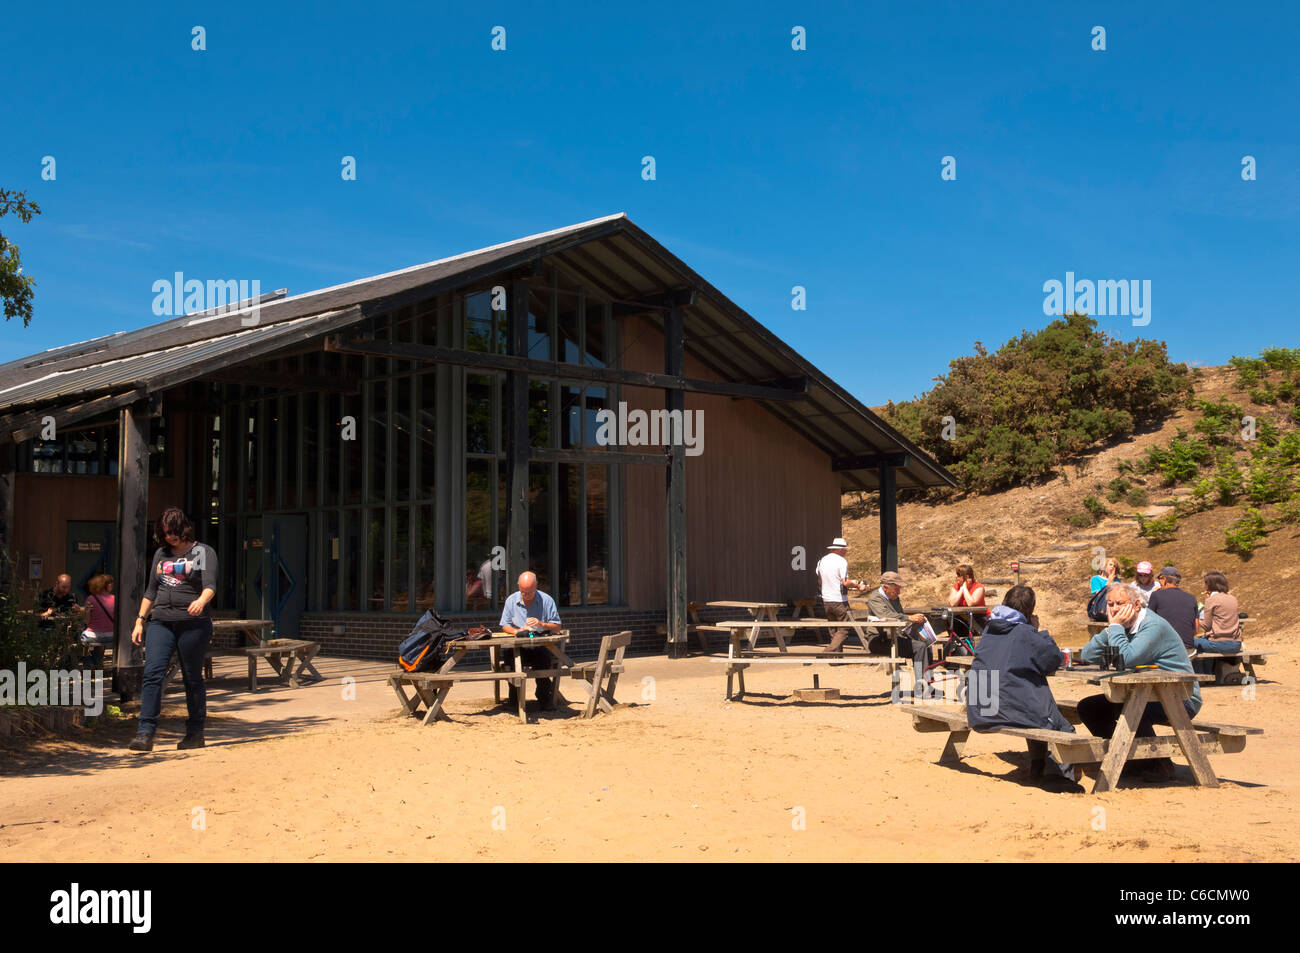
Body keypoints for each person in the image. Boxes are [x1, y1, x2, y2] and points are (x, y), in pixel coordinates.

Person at [1078, 582, 1202, 779]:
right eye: (1110, 604)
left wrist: (1116, 627)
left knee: (1133, 708)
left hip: (1181, 697)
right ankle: (1131, 759)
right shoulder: (1121, 626)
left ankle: (1160, 764)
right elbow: (1088, 655)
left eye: (1120, 603)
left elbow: (1128, 658)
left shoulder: (1152, 625)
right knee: (1089, 707)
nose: (1115, 609)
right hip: (1142, 693)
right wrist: (1111, 629)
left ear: (1136, 605)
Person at [966, 585, 1079, 789]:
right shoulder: (1025, 632)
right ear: (1029, 611)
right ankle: (1060, 780)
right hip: (1008, 710)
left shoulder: (989, 630)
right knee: (1062, 728)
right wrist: (1039, 631)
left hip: (981, 709)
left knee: (1036, 715)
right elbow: (1052, 660)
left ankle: (1038, 768)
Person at [129, 507, 219, 752]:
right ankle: (145, 732)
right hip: (161, 621)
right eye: (165, 533)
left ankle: (195, 732)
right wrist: (139, 620)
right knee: (152, 673)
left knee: (192, 678)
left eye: (173, 532)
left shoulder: (203, 552)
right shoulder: (161, 554)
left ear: (184, 528)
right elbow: (151, 591)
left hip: (193, 624)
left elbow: (210, 585)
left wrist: (201, 601)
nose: (169, 537)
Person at [865, 571, 935, 697]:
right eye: (896, 589)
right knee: (919, 647)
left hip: (894, 638)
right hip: (878, 640)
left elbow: (900, 620)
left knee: (925, 645)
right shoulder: (875, 598)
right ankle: (923, 688)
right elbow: (885, 616)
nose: (899, 593)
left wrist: (915, 624)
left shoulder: (894, 598)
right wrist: (909, 618)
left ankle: (926, 685)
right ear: (885, 587)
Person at [499, 571, 563, 708]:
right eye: (523, 592)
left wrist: (542, 624)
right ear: (518, 586)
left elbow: (557, 627)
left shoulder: (546, 600)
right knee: (510, 660)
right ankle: (515, 699)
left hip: (537, 639)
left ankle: (544, 698)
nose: (526, 596)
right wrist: (517, 631)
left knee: (543, 659)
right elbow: (504, 625)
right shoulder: (511, 600)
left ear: (536, 586)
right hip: (518, 640)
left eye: (529, 592)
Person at [816, 537, 863, 652]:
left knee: (833, 629)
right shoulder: (841, 561)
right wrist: (858, 585)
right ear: (840, 549)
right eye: (845, 549)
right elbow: (845, 582)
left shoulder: (822, 560)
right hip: (839, 600)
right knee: (844, 628)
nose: (846, 551)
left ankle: (836, 658)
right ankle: (829, 650)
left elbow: (820, 580)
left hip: (826, 599)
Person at [1193, 571, 1243, 672]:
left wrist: (1196, 618)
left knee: (1190, 643)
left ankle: (1201, 676)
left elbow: (1207, 626)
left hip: (1219, 643)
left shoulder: (1211, 600)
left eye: (1206, 583)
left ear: (1210, 585)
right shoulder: (1233, 598)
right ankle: (1210, 674)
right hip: (1236, 644)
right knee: (1204, 641)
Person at [1147, 566, 1198, 652]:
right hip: (1188, 649)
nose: (1159, 581)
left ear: (1165, 579)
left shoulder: (1156, 595)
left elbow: (1149, 622)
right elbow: (1196, 629)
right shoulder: (1192, 598)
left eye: (1160, 578)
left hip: (1166, 649)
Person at [79, 573, 116, 667]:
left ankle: (89, 666)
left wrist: (86, 612)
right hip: (112, 635)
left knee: (84, 638)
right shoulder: (115, 599)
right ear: (108, 585)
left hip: (94, 636)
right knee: (97, 645)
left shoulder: (91, 599)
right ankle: (98, 664)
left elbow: (87, 621)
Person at [946, 563, 986, 645]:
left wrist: (965, 588)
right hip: (961, 618)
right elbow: (953, 603)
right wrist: (961, 589)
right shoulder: (956, 586)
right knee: (950, 621)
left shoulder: (979, 587)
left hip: (978, 618)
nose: (957, 578)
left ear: (967, 577)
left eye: (959, 575)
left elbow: (971, 603)